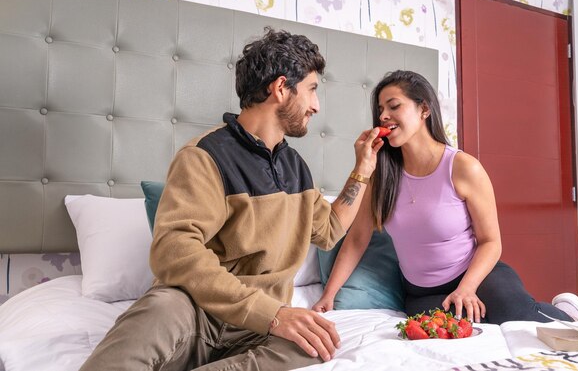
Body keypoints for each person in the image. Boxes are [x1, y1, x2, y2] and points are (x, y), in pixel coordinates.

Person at [80, 27, 385, 371]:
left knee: (317, 344)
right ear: (281, 88)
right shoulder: (203, 156)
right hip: (197, 312)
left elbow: (329, 230)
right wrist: (272, 315)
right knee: (157, 310)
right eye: (312, 90)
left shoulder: (295, 167)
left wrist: (363, 169)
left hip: (260, 329)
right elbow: (174, 251)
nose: (316, 105)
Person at [313, 70, 578, 325]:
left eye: (394, 106)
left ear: (424, 109)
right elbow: (357, 239)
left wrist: (467, 287)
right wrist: (329, 295)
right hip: (421, 293)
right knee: (465, 332)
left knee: (520, 319)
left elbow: (491, 241)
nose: (383, 116)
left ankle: (574, 318)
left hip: (477, 275)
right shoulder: (380, 174)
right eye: (380, 110)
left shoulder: (463, 167)